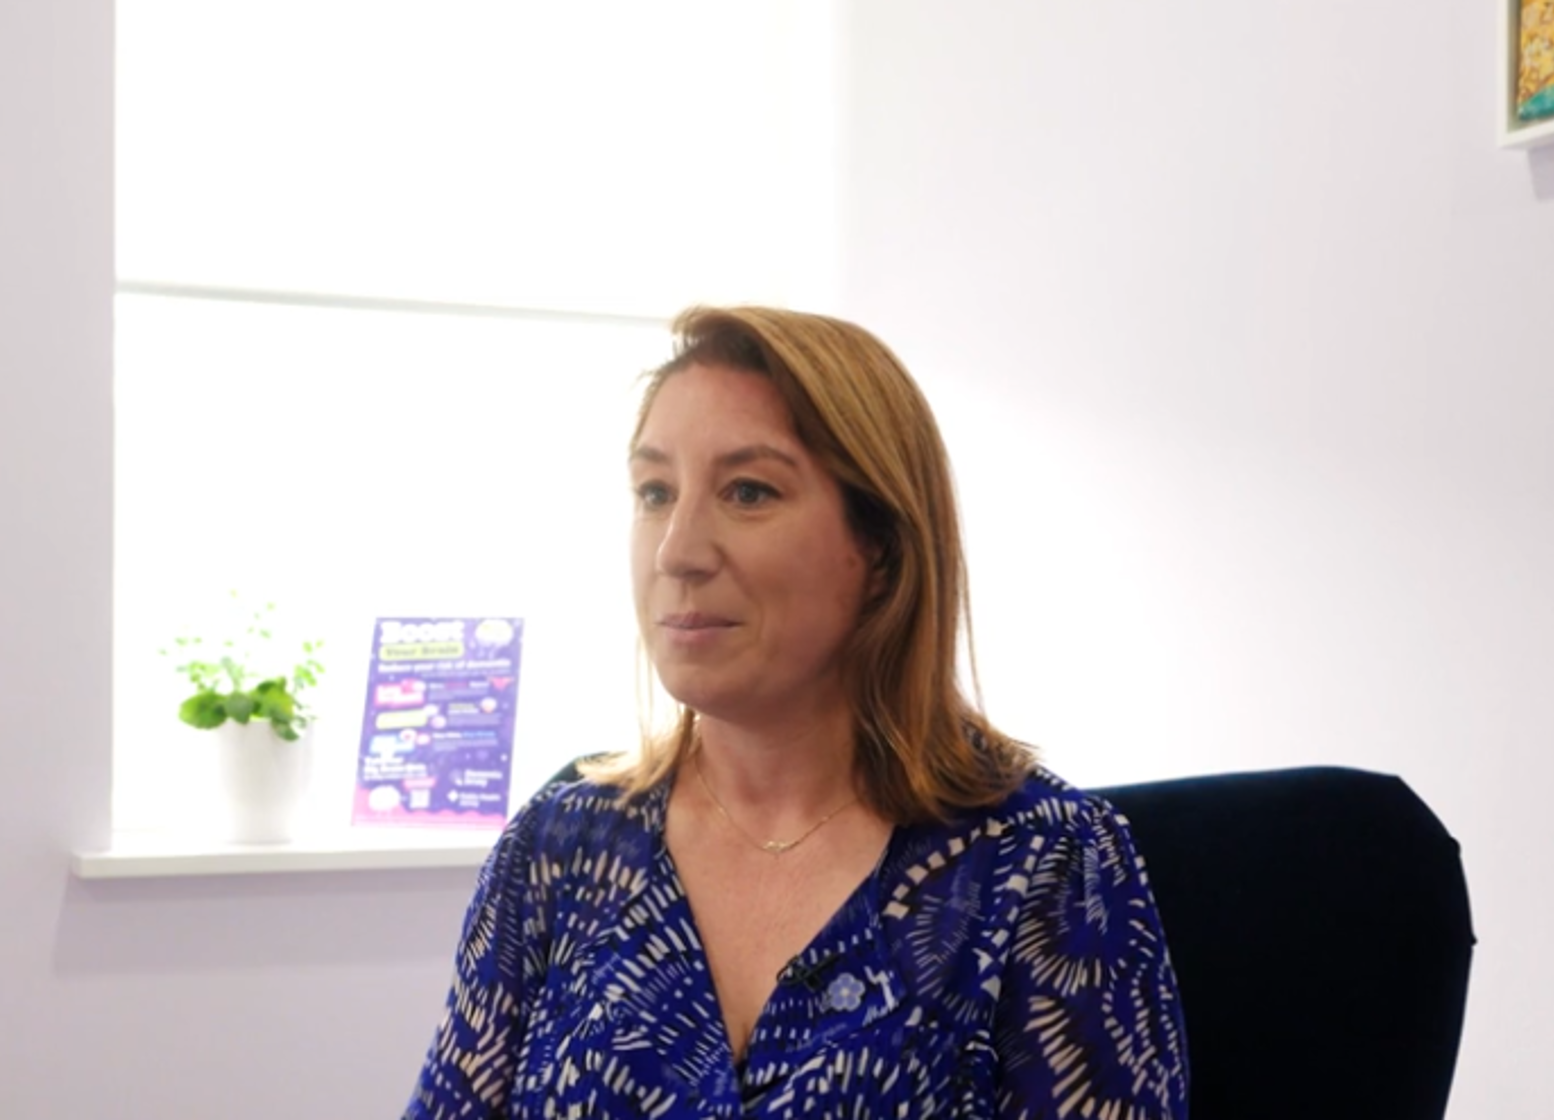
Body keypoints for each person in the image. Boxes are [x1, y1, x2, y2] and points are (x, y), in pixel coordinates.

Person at [404, 306, 1189, 1118]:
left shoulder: (1044, 866)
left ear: (880, 549)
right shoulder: (558, 850)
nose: (677, 550)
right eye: (654, 492)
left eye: (748, 491)